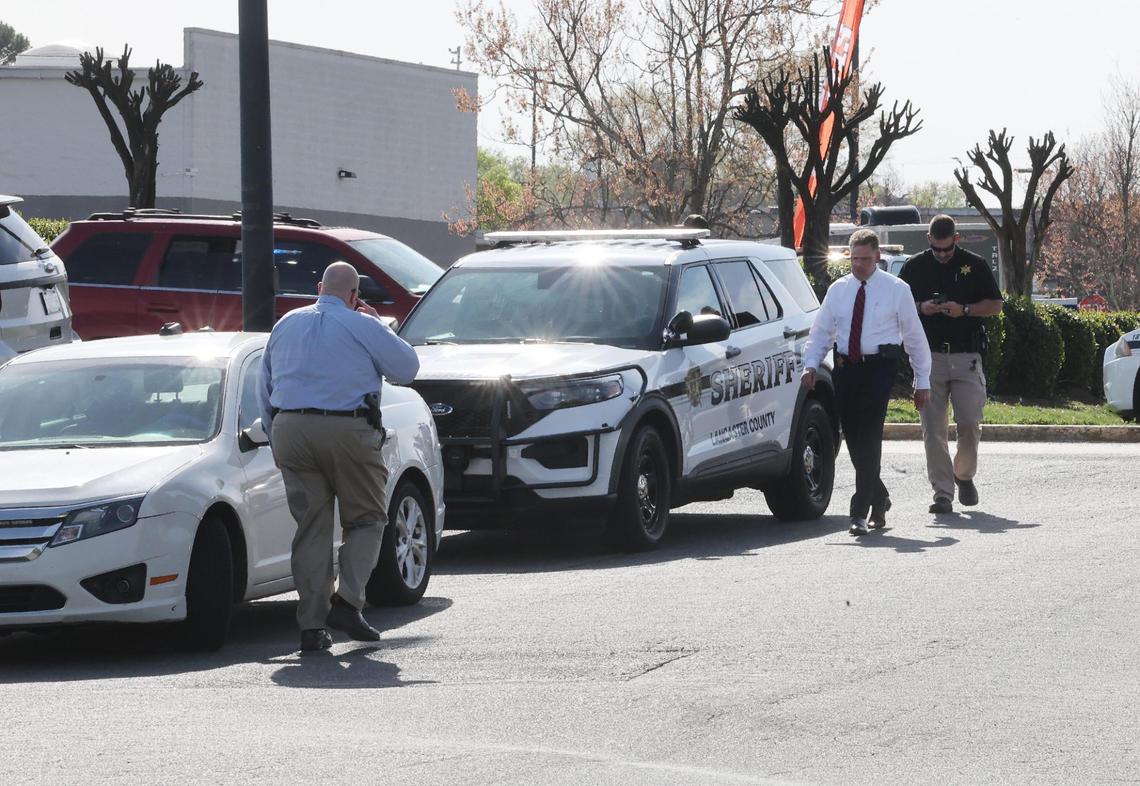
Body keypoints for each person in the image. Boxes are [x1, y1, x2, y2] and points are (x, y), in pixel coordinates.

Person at [258, 261, 420, 653]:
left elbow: (264, 384)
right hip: (348, 428)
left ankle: (312, 627)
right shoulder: (362, 324)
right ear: (354, 295)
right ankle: (347, 602)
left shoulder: (286, 324)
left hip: (290, 429)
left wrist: (273, 436)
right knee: (366, 518)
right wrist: (378, 324)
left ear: (319, 287)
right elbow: (408, 368)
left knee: (311, 527)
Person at [802, 229, 932, 536]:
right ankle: (880, 496)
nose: (858, 264)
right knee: (853, 437)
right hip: (846, 367)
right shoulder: (839, 290)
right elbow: (821, 332)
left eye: (865, 258)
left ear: (877, 257)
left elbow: (914, 336)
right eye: (854, 258)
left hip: (879, 367)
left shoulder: (896, 289)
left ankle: (860, 511)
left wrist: (922, 379)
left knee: (870, 434)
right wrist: (810, 365)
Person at [898, 215, 1003, 514]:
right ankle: (942, 493)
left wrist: (965, 310)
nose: (942, 255)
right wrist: (922, 307)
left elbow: (995, 304)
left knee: (969, 423)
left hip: (966, 356)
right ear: (929, 240)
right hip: (928, 357)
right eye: (937, 249)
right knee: (933, 429)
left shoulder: (975, 264)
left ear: (956, 240)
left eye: (947, 249)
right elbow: (900, 307)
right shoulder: (914, 267)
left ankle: (963, 475)